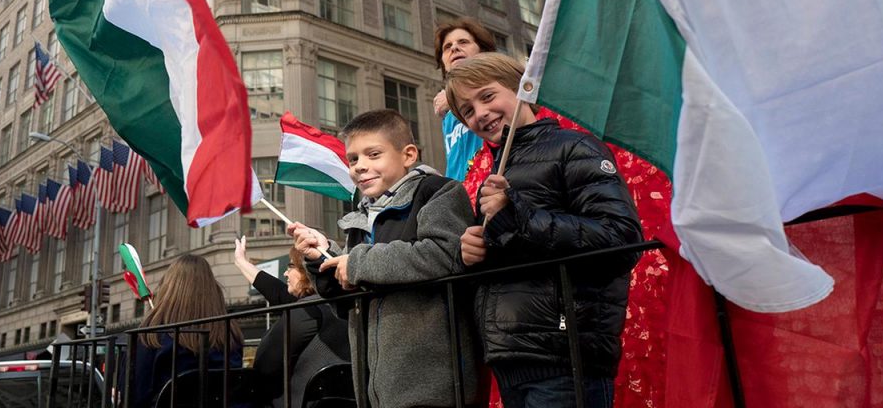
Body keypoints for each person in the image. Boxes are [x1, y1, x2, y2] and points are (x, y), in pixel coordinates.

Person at [445, 53, 643, 408]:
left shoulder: (575, 148)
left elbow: (621, 240)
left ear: (523, 89)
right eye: (468, 111)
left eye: (487, 97)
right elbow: (518, 261)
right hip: (512, 361)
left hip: (566, 357)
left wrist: (516, 215)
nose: (480, 114)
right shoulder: (493, 177)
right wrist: (476, 256)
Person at [288, 109, 487, 408]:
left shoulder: (438, 192)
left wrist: (357, 263)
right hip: (375, 391)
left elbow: (447, 255)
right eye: (353, 159)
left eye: (373, 154)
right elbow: (348, 304)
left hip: (434, 386)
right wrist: (323, 259)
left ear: (408, 155)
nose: (360, 167)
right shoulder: (359, 218)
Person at [132, 254, 245, 408]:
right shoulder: (230, 335)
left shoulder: (153, 336)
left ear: (168, 289)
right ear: (212, 290)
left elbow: (136, 397)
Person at [248, 246, 351, 408]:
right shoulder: (345, 307)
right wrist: (241, 261)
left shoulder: (307, 310)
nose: (285, 274)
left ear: (305, 271)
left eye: (290, 266)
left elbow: (264, 366)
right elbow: (278, 293)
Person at [432, 18, 496, 182]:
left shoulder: (501, 86)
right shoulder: (447, 114)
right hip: (460, 197)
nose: (454, 47)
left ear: (482, 51)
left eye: (463, 42)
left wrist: (456, 94)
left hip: (493, 188)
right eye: (447, 47)